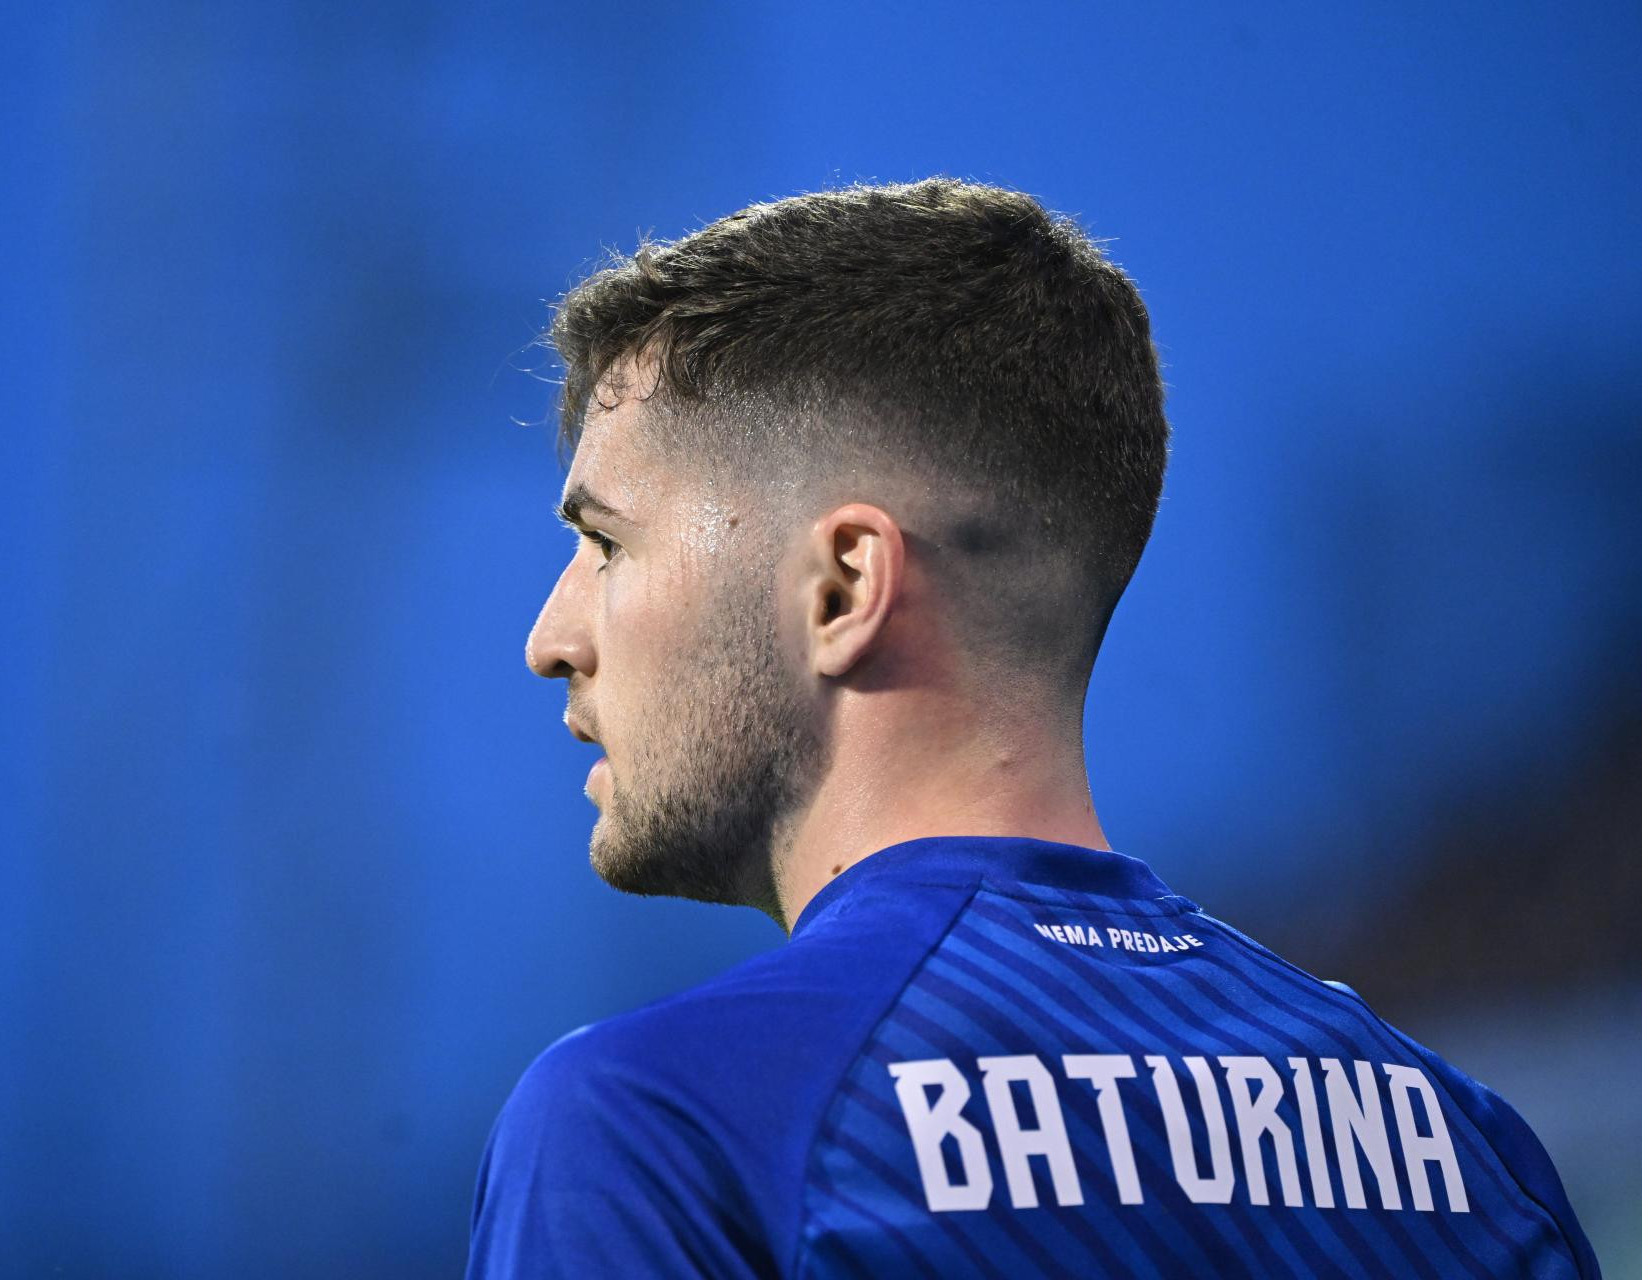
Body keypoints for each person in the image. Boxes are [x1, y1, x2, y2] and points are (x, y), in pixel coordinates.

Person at [467, 178, 1599, 1278]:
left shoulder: (665, 1128)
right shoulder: (1469, 1151)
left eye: (607, 544)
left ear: (842, 587)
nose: (549, 637)